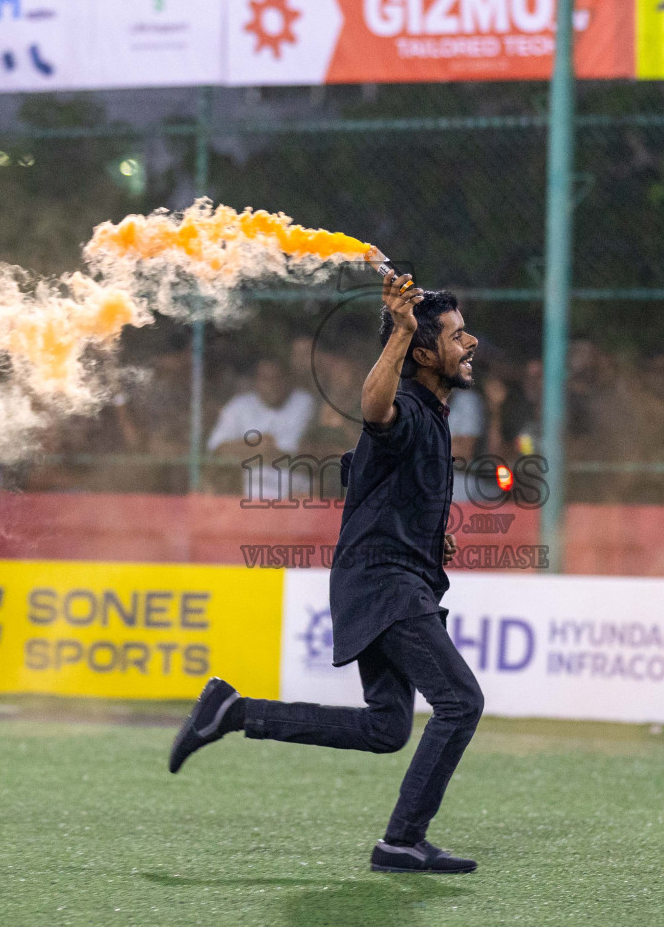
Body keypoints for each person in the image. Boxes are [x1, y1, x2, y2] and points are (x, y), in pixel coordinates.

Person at [169, 272, 484, 875]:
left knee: (387, 728)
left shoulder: (433, 415)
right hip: (385, 583)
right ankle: (401, 842)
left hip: (389, 579)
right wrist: (400, 330)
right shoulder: (410, 408)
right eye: (457, 335)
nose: (470, 344)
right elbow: (373, 408)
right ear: (424, 352)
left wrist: (427, 530)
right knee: (461, 702)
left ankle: (234, 711)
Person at [206, 356, 316, 502]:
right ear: (256, 382)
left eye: (277, 378)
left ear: (288, 380)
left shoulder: (303, 402)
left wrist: (245, 448)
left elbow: (287, 451)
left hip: (292, 497)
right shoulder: (239, 404)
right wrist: (257, 443)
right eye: (265, 379)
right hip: (245, 498)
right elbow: (218, 448)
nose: (272, 385)